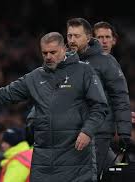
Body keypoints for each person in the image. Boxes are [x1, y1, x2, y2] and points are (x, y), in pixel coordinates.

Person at [0, 32, 108, 182]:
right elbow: (6, 93)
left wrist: (87, 131)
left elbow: (100, 106)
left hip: (76, 156)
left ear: (64, 49)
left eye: (53, 52)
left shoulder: (84, 71)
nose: (48, 57)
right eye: (44, 53)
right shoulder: (35, 77)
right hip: (44, 159)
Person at [66, 17, 132, 180]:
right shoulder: (65, 61)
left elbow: (120, 97)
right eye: (69, 36)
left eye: (76, 36)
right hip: (72, 130)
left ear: (88, 38)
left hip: (98, 130)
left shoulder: (107, 62)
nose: (72, 40)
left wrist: (124, 133)